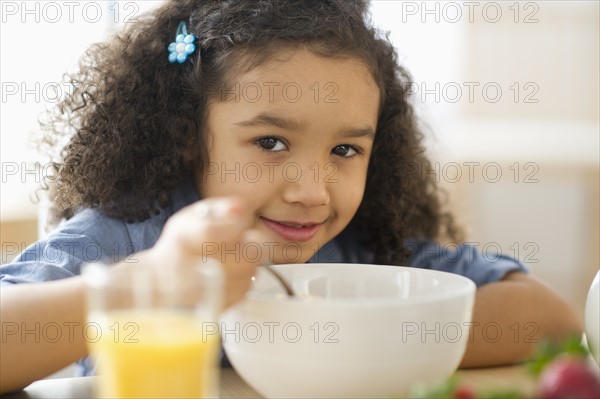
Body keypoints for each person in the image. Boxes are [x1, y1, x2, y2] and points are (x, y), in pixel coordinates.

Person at [0, 0, 581, 393]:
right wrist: (150, 281)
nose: (311, 193)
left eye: (345, 151)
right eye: (270, 141)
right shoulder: (124, 234)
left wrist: (353, 333)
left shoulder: (360, 251)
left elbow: (550, 321)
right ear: (185, 135)